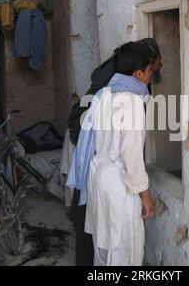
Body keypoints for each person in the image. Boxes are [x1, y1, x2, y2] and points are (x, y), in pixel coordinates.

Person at [65, 38, 162, 266]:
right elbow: (131, 159)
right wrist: (145, 196)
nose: (150, 77)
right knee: (124, 254)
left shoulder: (104, 96)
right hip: (119, 187)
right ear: (138, 73)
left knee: (102, 251)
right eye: (149, 71)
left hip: (98, 182)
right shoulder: (133, 103)